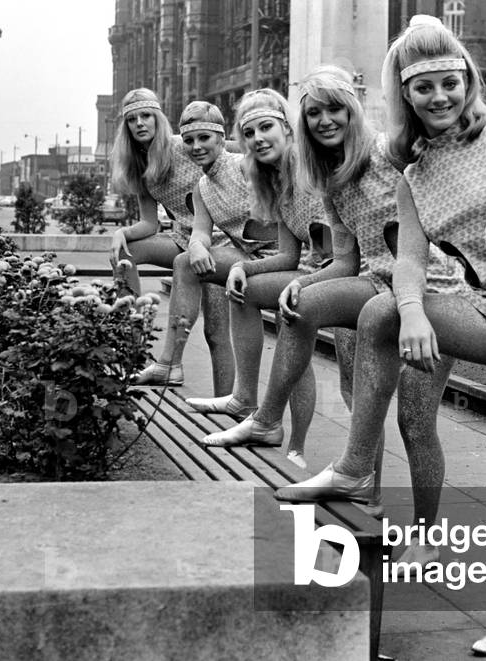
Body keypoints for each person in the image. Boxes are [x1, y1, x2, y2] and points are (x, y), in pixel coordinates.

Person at [276, 16, 486, 656]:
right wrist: (411, 311)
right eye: (424, 88)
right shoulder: (416, 170)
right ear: (404, 96)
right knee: (380, 313)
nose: (440, 98)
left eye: (450, 83)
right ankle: (355, 470)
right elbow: (408, 261)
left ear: (468, 82)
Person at [203, 66, 464, 491]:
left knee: (415, 424)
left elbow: (444, 162)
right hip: (374, 286)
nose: (325, 120)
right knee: (348, 380)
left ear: (353, 110)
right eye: (314, 113)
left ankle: (424, 534)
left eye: (335, 109)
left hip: (431, 290)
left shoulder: (389, 152)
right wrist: (303, 282)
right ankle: (279, 429)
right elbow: (344, 260)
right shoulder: (330, 180)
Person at [187, 88, 347, 468]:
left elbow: (338, 257)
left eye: (266, 128)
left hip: (350, 272)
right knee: (245, 290)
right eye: (250, 133)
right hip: (314, 271)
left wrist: (300, 283)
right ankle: (255, 408)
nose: (258, 139)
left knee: (348, 379)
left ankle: (289, 438)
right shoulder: (275, 182)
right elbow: (289, 255)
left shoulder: (312, 174)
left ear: (288, 129)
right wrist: (244, 267)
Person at [135, 100, 278, 386]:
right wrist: (197, 245)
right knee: (185, 263)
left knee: (221, 331)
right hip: (242, 255)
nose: (196, 146)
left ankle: (231, 397)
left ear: (221, 138)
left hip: (281, 258)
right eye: (189, 140)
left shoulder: (245, 168)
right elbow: (201, 231)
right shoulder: (202, 187)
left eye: (204, 138)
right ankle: (172, 365)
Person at [109, 88, 234, 393]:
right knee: (125, 253)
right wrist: (121, 232)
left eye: (146, 116)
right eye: (132, 119)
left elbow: (227, 151)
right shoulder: (139, 165)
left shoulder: (185, 145)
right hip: (183, 238)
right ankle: (133, 344)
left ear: (158, 118)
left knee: (216, 331)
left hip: (220, 240)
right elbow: (150, 223)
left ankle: (225, 404)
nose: (140, 123)